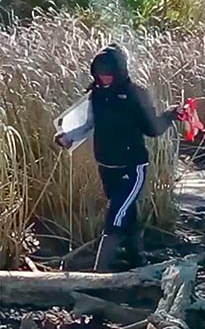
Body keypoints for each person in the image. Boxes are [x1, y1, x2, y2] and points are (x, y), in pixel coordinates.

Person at [55, 45, 181, 271]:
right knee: (127, 212)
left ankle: (98, 272)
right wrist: (68, 137)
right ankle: (136, 258)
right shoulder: (96, 94)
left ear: (120, 71)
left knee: (115, 215)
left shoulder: (136, 94)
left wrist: (171, 115)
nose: (103, 76)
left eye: (108, 72)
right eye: (99, 72)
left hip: (132, 167)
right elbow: (88, 123)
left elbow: (152, 129)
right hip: (106, 165)